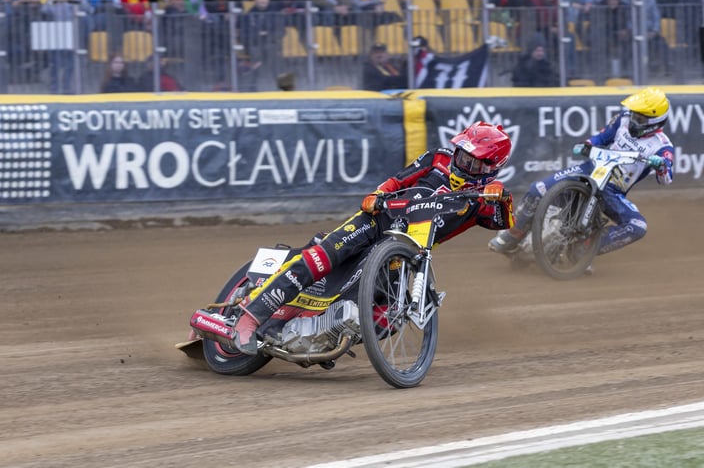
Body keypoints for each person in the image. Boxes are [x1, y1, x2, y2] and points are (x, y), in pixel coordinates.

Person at [190, 121, 515, 354]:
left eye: (472, 161)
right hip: (377, 220)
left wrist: (500, 199)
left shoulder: (482, 199)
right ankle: (250, 318)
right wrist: (377, 195)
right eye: (462, 153)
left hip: (407, 249)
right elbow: (397, 180)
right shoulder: (438, 158)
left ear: (490, 167)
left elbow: (502, 221)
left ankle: (326, 335)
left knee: (386, 315)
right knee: (322, 258)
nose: (463, 161)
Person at [489, 87, 675, 265]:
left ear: (655, 122)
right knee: (538, 189)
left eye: (640, 118)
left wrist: (661, 166)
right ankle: (514, 234)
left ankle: (584, 248)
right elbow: (601, 138)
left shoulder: (662, 145)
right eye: (634, 114)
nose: (634, 120)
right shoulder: (623, 120)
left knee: (637, 226)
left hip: (613, 190)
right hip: (591, 170)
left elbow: (666, 179)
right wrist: (587, 144)